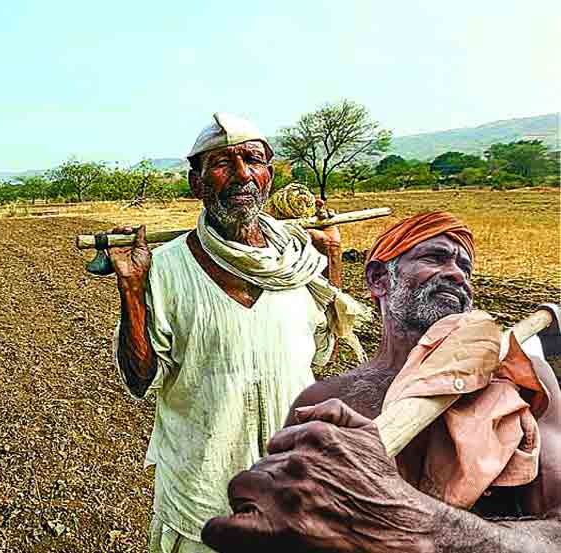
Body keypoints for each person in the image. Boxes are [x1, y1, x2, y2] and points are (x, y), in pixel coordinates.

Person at [201, 211, 561, 552]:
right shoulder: (325, 400)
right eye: (435, 258)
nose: (457, 274)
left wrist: (416, 524)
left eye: (465, 267)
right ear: (378, 278)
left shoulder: (520, 378)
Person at [108, 112, 367, 552]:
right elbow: (140, 380)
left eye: (253, 160)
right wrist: (132, 289)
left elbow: (322, 351)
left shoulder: (298, 261)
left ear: (268, 177)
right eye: (223, 163)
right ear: (197, 183)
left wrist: (333, 258)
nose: (242, 174)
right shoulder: (165, 269)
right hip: (205, 495)